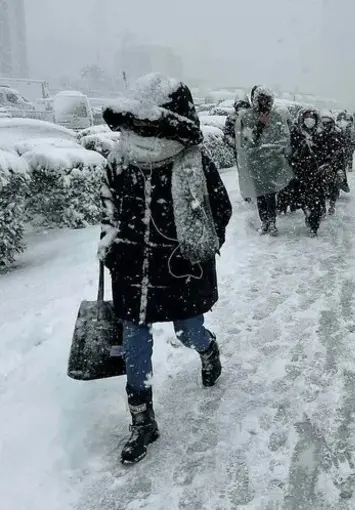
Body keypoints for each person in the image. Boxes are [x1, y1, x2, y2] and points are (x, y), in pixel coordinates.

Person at [99, 73, 233, 465]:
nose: (141, 129)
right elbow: (108, 210)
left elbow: (219, 210)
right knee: (135, 341)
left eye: (150, 122)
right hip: (131, 269)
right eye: (137, 122)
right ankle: (142, 421)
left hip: (179, 269)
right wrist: (109, 247)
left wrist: (198, 249)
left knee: (187, 330)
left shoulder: (192, 161)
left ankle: (208, 349)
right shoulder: (119, 159)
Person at [235, 86, 293, 235]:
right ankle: (264, 221)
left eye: (266, 100)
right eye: (260, 100)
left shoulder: (276, 117)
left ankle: (271, 222)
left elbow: (283, 138)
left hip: (272, 161)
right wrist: (260, 126)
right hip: (255, 161)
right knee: (260, 193)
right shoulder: (247, 117)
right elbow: (247, 141)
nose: (263, 104)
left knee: (270, 193)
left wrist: (277, 149)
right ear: (255, 101)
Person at [289, 107, 325, 236]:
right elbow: (291, 152)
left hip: (316, 173)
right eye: (306, 118)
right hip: (300, 172)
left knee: (316, 200)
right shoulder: (296, 133)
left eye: (312, 118)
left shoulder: (321, 134)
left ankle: (314, 225)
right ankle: (308, 213)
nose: (309, 120)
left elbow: (324, 153)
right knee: (302, 199)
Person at [316, 110, 344, 216]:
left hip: (334, 164)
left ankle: (332, 204)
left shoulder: (337, 134)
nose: (326, 125)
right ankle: (322, 208)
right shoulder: (318, 134)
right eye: (324, 123)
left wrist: (338, 166)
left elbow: (340, 151)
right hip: (321, 165)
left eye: (328, 123)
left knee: (334, 186)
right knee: (319, 188)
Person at [337, 111, 355, 176]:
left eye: (350, 120)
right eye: (348, 120)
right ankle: (347, 166)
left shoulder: (352, 127)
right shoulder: (343, 127)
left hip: (350, 143)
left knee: (349, 155)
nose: (349, 121)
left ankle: (349, 167)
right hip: (346, 143)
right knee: (346, 155)